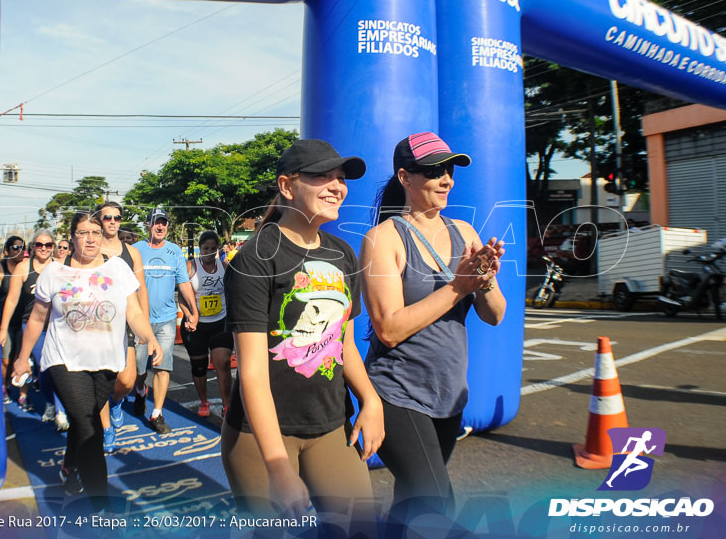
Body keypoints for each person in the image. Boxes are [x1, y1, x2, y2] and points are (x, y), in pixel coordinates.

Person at [222, 139, 383, 530]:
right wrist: (277, 467)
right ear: (287, 186)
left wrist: (371, 400)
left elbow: (342, 342)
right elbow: (253, 373)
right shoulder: (255, 258)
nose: (336, 186)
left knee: (359, 529)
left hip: (329, 424)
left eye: (341, 178)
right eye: (321, 176)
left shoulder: (343, 254)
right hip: (262, 436)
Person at [361, 131, 506, 517]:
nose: (446, 179)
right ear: (405, 178)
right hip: (397, 393)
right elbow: (388, 329)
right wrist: (460, 286)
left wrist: (485, 280)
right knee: (437, 503)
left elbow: (495, 315)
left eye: (448, 169)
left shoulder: (466, 233)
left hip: (449, 394)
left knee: (413, 501)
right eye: (433, 171)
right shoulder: (383, 239)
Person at [12, 211, 161, 510]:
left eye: (95, 232)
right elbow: (38, 318)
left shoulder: (118, 268)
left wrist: (150, 336)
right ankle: (102, 505)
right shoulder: (54, 273)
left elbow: (133, 311)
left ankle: (69, 467)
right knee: (90, 425)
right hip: (64, 360)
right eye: (83, 233)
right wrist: (22, 358)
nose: (90, 238)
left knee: (84, 420)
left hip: (107, 360)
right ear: (72, 237)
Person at [132, 208, 199, 434]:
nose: (160, 227)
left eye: (164, 223)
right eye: (155, 223)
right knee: (139, 369)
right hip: (140, 322)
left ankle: (157, 413)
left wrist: (193, 310)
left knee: (163, 366)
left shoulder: (174, 252)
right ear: (147, 225)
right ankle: (140, 390)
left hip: (167, 320)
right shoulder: (135, 251)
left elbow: (184, 283)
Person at [1, 229, 69, 430]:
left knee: (59, 368)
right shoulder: (23, 268)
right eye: (39, 245)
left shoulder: (60, 268)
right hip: (32, 326)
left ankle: (61, 411)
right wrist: (3, 328)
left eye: (48, 245)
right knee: (44, 368)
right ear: (33, 247)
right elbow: (12, 300)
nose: (44, 249)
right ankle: (50, 402)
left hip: (57, 326)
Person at [95, 201, 148, 452]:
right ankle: (106, 430)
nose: (113, 222)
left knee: (127, 380)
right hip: (98, 324)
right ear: (100, 220)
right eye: (108, 217)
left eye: (117, 217)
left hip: (126, 321)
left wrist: (144, 325)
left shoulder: (132, 252)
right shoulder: (91, 249)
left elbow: (141, 290)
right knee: (102, 378)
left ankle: (116, 401)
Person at [182, 230, 232, 418]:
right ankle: (204, 401)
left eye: (213, 249)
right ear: (199, 248)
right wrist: (188, 315)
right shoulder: (190, 267)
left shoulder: (224, 266)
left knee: (223, 362)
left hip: (220, 322)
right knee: (199, 366)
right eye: (205, 248)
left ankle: (227, 405)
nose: (209, 252)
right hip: (197, 325)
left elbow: (232, 291)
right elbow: (182, 297)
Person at [0, 235, 25, 405]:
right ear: (7, 251)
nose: (20, 251)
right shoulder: (1, 268)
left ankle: (23, 394)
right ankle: (4, 386)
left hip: (23, 320)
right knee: (6, 359)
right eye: (15, 248)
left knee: (20, 358)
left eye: (23, 247)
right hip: (5, 322)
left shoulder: (26, 268)